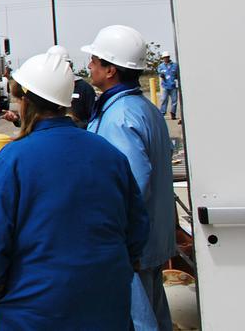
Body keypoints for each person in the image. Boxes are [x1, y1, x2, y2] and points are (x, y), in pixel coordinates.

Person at [0, 52, 148, 329]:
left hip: (36, 306)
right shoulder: (108, 153)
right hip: (105, 297)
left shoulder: (12, 160)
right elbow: (136, 224)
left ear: (26, 101)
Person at [83, 25, 176, 331]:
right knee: (155, 317)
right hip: (151, 239)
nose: (90, 66)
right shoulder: (143, 108)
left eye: (95, 61)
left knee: (138, 322)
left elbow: (131, 186)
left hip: (130, 246)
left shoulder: (120, 118)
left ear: (110, 70)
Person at [48, 44, 96, 125]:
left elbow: (94, 120)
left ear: (70, 65)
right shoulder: (45, 88)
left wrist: (78, 124)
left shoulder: (83, 88)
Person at [156, 52, 179, 120]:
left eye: (167, 57)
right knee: (164, 100)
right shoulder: (161, 66)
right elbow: (159, 73)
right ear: (163, 58)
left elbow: (178, 75)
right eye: (164, 57)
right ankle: (162, 113)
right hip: (165, 86)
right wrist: (161, 75)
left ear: (169, 57)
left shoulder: (175, 65)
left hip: (173, 86)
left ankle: (173, 113)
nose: (166, 58)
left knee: (174, 101)